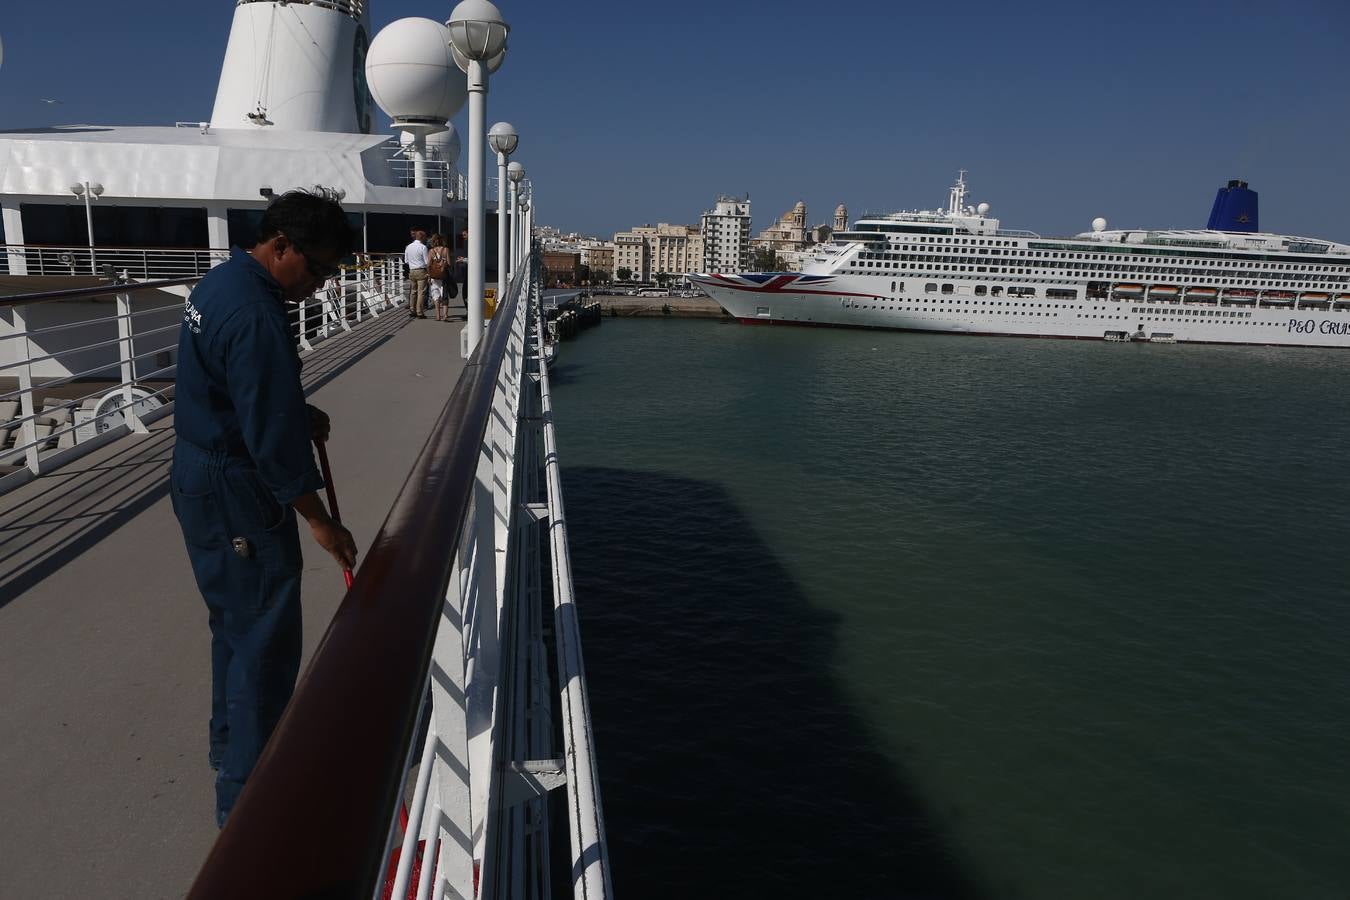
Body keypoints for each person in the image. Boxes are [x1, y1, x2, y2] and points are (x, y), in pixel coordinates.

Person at [170, 190, 359, 827]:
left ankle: (231, 754)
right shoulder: (256, 312)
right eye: (316, 267)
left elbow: (232, 384)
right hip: (235, 488)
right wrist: (321, 521)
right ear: (280, 245)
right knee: (263, 641)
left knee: (234, 625)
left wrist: (293, 408)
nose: (319, 283)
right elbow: (273, 444)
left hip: (199, 468)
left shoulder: (222, 283)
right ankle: (249, 810)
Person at [405, 227, 429, 319]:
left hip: (412, 270)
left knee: (413, 292)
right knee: (421, 292)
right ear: (422, 237)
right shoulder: (423, 247)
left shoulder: (408, 246)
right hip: (421, 270)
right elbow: (427, 262)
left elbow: (406, 261)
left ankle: (412, 310)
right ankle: (419, 312)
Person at [427, 234, 451, 321]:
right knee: (444, 296)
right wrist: (443, 264)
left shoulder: (431, 251)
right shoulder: (445, 250)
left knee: (436, 296)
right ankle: (445, 316)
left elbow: (428, 265)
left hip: (434, 277)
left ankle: (438, 316)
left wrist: (429, 276)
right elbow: (449, 264)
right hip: (444, 276)